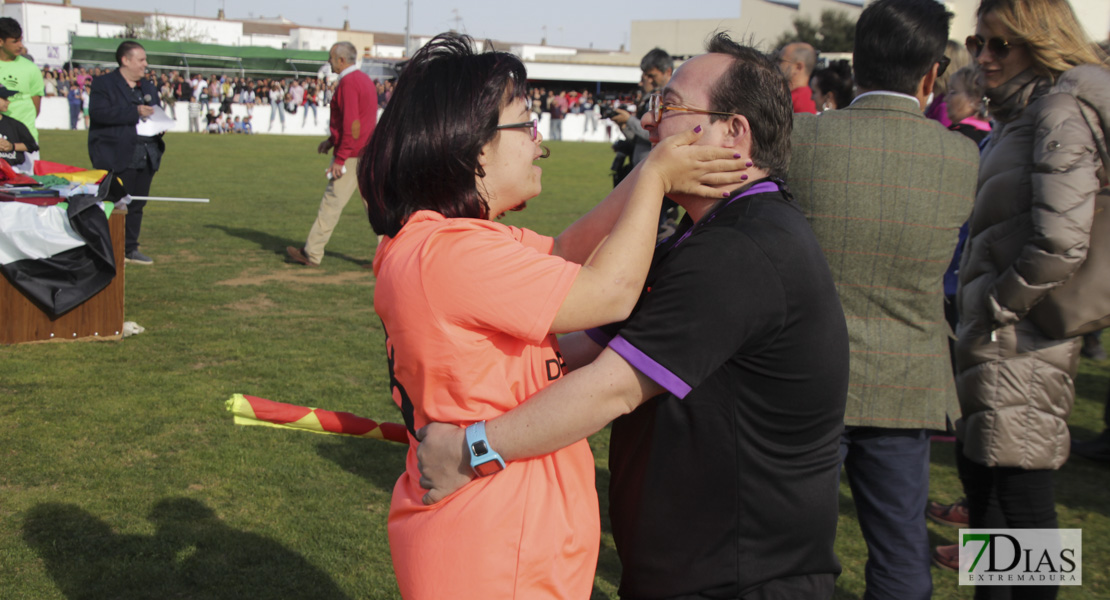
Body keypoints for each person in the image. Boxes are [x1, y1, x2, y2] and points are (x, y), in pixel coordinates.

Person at [416, 32, 850, 599]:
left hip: (743, 579)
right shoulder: (709, 238)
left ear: (733, 133)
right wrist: (464, 377)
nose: (650, 124)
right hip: (695, 570)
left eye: (669, 108)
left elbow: (609, 389)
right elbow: (583, 348)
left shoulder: (743, 250)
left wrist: (472, 448)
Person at [362, 33, 745, 599]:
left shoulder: (443, 241)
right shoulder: (450, 255)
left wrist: (651, 174)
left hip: (500, 535)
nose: (540, 140)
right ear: (475, 149)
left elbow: (565, 250)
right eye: (525, 124)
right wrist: (658, 178)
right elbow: (608, 292)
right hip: (496, 547)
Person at [787, 1, 980, 598]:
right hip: (908, 382)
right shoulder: (961, 156)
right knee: (900, 550)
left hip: (808, 375)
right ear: (932, 73)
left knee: (789, 545)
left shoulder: (804, 138)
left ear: (854, 63)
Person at [952, 2, 1109, 598]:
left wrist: (998, 303)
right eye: (977, 43)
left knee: (1022, 498)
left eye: (1001, 45)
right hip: (1003, 337)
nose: (984, 58)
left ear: (1042, 45)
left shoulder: (1059, 112)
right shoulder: (1026, 113)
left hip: (1022, 338)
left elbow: (1062, 240)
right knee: (989, 490)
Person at [286, 42, 378, 267]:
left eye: (331, 58)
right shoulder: (364, 80)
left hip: (353, 155)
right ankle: (389, 258)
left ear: (341, 60)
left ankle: (312, 253)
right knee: (376, 208)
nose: (329, 62)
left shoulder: (348, 83)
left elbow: (352, 124)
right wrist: (331, 141)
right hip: (369, 153)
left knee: (331, 204)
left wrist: (340, 157)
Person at [88, 41, 165, 266]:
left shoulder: (148, 87)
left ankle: (130, 248)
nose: (145, 64)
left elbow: (155, 111)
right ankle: (108, 249)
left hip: (147, 153)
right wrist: (134, 112)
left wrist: (161, 123)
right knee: (115, 204)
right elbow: (99, 113)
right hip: (117, 153)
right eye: (141, 60)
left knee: (138, 204)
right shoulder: (104, 84)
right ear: (126, 60)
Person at [0, 18, 44, 158]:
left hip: (25, 141)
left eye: (21, 40)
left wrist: (19, 129)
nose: (20, 45)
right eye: (15, 41)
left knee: (28, 180)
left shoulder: (31, 68)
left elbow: (36, 107)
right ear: (1, 41)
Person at [945, 65, 991, 144]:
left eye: (953, 92)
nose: (945, 99)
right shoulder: (994, 136)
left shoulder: (960, 137)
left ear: (976, 100)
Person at [0, 84, 37, 172]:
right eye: (4, 98)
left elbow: (31, 146)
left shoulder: (14, 125)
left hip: (13, 170)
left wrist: (11, 146)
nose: (8, 102)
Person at [777, 41, 818, 113]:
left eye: (781, 61)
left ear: (798, 67)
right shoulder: (792, 96)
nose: (777, 64)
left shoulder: (803, 101)